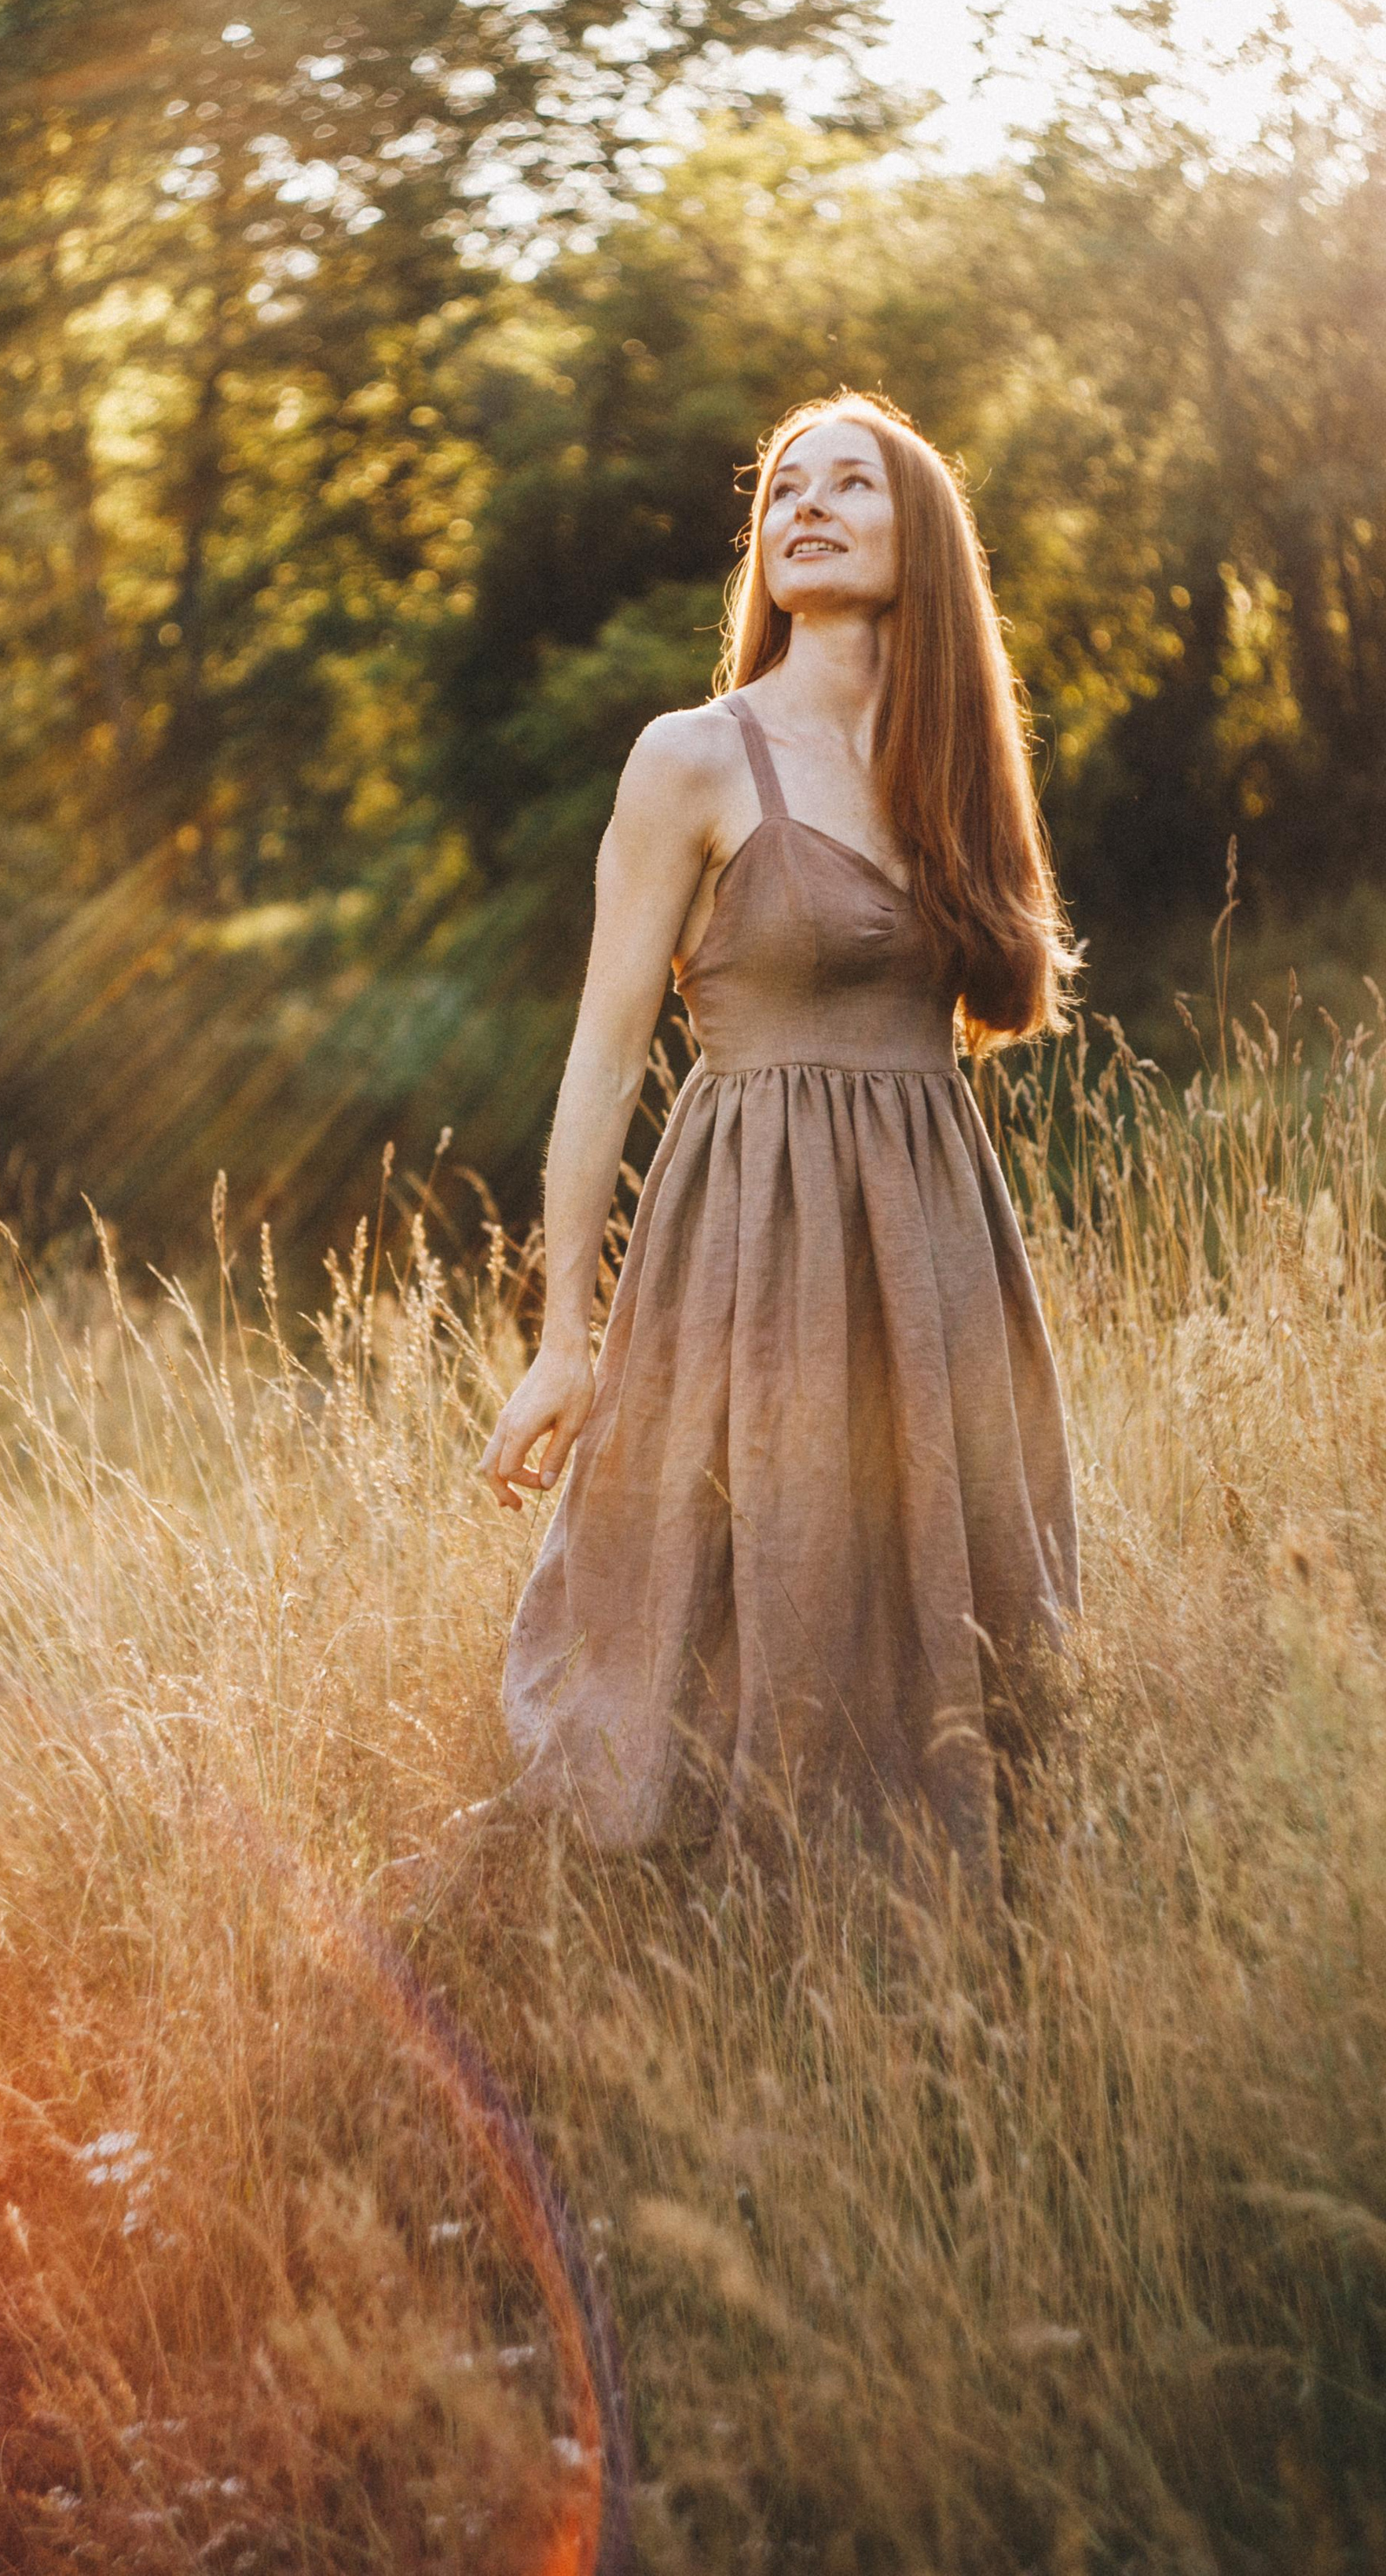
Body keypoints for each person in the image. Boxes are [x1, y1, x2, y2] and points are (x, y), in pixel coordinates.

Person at [478, 391, 1080, 1899]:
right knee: (749, 1559)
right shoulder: (692, 756)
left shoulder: (958, 772)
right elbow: (605, 1057)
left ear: (918, 534)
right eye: (784, 492)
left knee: (935, 1567)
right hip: (748, 1218)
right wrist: (565, 1337)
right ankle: (716, 1920)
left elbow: (995, 1003)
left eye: (850, 484)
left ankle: (936, 1916)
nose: (803, 506)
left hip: (934, 1229)